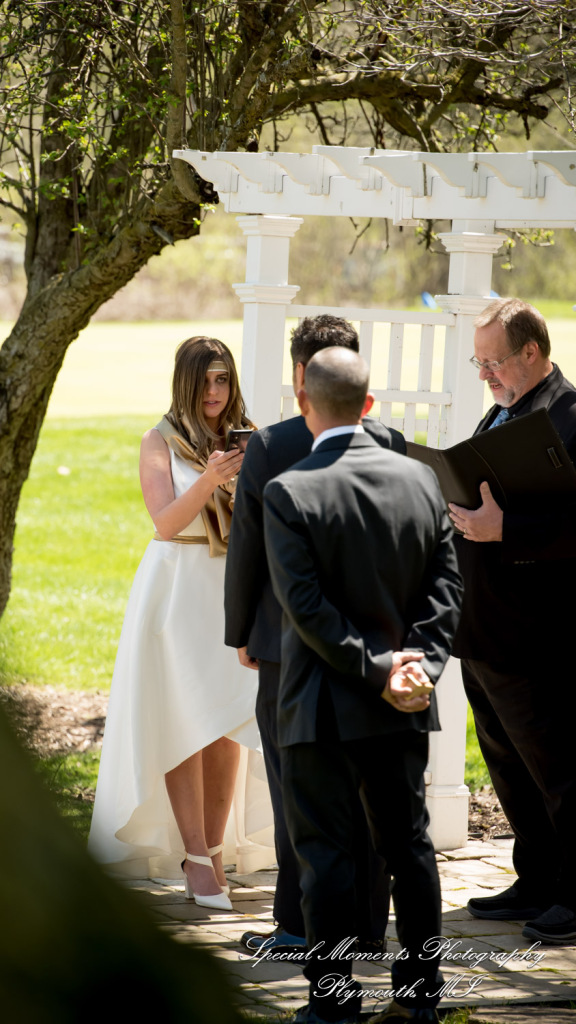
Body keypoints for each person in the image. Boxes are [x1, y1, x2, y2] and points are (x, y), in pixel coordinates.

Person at [263, 347, 463, 1024]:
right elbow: (446, 587)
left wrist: (377, 671)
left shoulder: (289, 491)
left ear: (304, 405)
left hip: (322, 705)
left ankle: (334, 1006)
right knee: (409, 847)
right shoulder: (421, 482)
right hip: (404, 701)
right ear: (369, 405)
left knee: (325, 856)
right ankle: (420, 996)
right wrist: (418, 669)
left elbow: (308, 610)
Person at [224, 315, 405, 954]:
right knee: (369, 791)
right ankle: (365, 927)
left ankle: (300, 926)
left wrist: (241, 630)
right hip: (374, 645)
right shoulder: (393, 441)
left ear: (300, 376)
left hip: (288, 644)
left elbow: (248, 549)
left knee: (296, 788)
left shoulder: (271, 447)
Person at [89, 336, 273, 908]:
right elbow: (165, 523)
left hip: (232, 587)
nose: (215, 392)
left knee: (226, 721)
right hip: (177, 589)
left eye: (223, 380)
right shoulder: (158, 440)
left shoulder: (251, 436)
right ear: (184, 381)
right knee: (184, 721)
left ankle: (216, 849)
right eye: (205, 380)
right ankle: (193, 857)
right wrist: (209, 479)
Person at [447, 298, 576, 946]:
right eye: (480, 363)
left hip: (540, 632)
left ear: (532, 351)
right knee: (507, 763)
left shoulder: (571, 417)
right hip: (484, 627)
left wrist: (507, 529)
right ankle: (537, 877)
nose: (485, 375)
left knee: (559, 767)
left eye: (494, 361)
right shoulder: (501, 409)